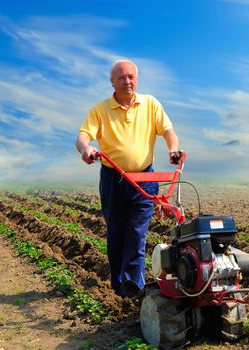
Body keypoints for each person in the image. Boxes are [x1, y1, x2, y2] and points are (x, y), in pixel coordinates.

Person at [76, 59, 181, 298]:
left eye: (131, 76)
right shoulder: (100, 110)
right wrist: (87, 150)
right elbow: (83, 136)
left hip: (145, 177)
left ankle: (133, 284)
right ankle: (118, 284)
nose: (127, 81)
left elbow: (168, 131)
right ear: (112, 82)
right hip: (114, 179)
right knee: (116, 233)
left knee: (137, 231)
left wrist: (173, 148)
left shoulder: (150, 104)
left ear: (137, 79)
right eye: (122, 77)